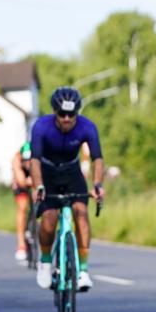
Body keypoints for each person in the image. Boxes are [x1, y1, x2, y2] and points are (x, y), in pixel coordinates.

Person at [30, 86, 105, 291]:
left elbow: (98, 159)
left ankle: (82, 271)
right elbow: (34, 160)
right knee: (49, 219)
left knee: (81, 212)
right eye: (62, 114)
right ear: (55, 112)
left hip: (72, 173)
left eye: (71, 114)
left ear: (77, 113)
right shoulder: (41, 126)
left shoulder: (87, 127)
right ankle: (45, 263)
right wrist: (38, 186)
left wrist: (97, 184)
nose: (66, 118)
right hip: (47, 173)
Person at [12, 141, 34, 262]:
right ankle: (21, 244)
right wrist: (28, 181)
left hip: (35, 176)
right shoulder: (16, 159)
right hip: (22, 180)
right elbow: (21, 181)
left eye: (30, 160)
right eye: (26, 161)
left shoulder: (40, 157)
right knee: (22, 207)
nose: (28, 163)